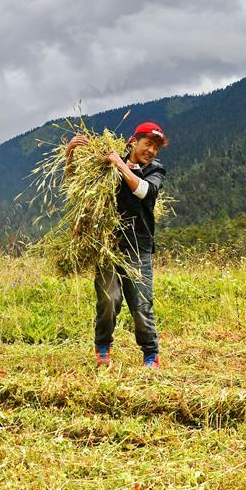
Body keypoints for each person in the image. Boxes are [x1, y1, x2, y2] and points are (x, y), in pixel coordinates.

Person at [66, 122, 168, 368]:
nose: (151, 150)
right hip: (108, 245)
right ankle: (102, 348)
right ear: (134, 141)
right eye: (148, 144)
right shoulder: (109, 163)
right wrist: (70, 154)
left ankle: (150, 355)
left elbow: (143, 191)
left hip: (138, 247)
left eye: (156, 147)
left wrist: (120, 165)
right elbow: (78, 185)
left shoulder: (155, 170)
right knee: (108, 300)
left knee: (141, 304)